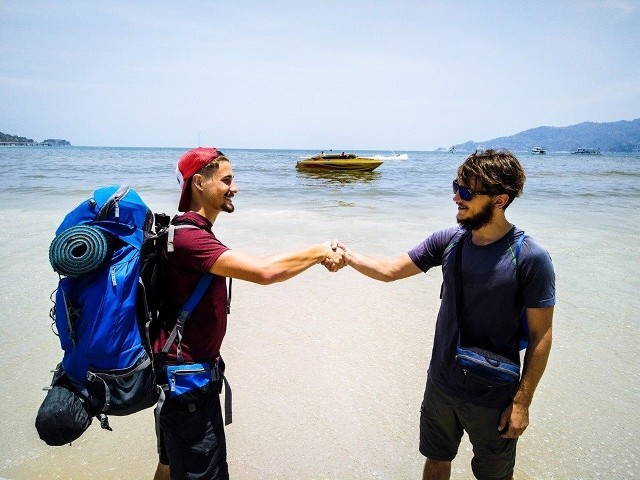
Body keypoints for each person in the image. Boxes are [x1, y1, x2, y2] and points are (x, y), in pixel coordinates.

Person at [335, 149, 555, 480]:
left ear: (499, 200)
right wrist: (348, 256)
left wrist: (522, 403)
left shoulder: (529, 257)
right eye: (456, 186)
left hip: (493, 397)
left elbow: (542, 335)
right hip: (441, 385)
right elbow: (390, 269)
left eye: (467, 191)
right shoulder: (449, 241)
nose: (456, 197)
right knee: (437, 460)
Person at [152, 147, 345, 480]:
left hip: (177, 381)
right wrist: (317, 252)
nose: (235, 187)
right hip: (189, 388)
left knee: (170, 468)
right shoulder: (190, 239)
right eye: (227, 180)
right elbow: (264, 271)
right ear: (199, 182)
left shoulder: (182, 232)